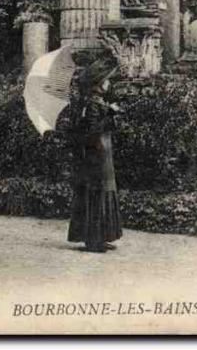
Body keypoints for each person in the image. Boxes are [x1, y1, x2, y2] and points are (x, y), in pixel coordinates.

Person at [67, 54, 123, 253]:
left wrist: (110, 113)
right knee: (95, 193)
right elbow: (92, 131)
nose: (109, 83)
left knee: (103, 192)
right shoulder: (92, 104)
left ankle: (101, 236)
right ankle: (93, 240)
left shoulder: (96, 103)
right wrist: (109, 115)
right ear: (98, 84)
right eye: (106, 80)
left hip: (101, 152)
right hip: (95, 155)